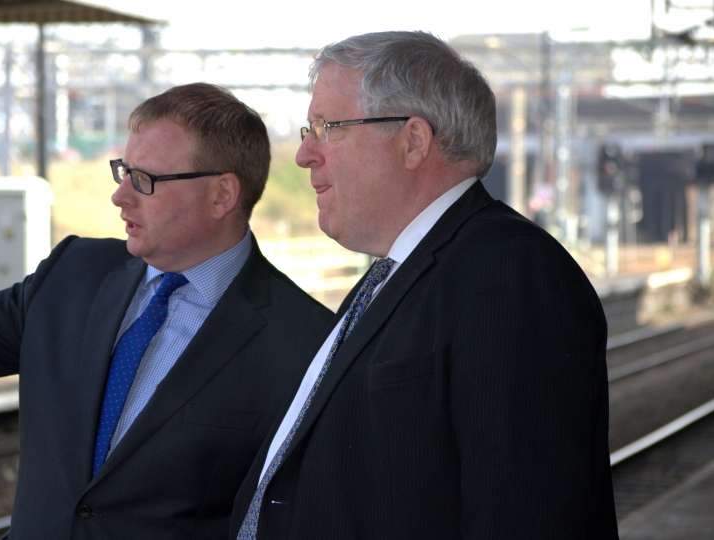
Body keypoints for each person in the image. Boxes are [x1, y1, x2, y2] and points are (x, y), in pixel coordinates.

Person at [0, 83, 332, 539]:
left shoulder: (307, 343)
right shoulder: (73, 273)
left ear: (222, 195)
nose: (120, 196)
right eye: (124, 172)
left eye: (145, 180)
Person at [231, 32, 618, 539]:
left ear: (413, 141)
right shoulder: (401, 271)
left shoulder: (508, 274)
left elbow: (522, 514)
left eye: (327, 127)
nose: (305, 153)